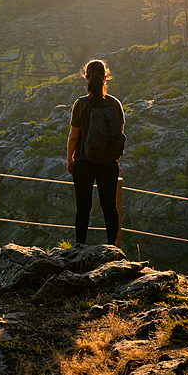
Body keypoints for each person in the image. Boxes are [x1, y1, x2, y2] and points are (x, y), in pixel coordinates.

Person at [67, 59, 124, 245]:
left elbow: (73, 137)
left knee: (83, 207)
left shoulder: (81, 104)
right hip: (108, 163)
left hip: (84, 161)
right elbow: (119, 135)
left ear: (87, 77)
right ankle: (112, 249)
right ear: (106, 77)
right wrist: (117, 160)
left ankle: (79, 248)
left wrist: (70, 159)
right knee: (109, 207)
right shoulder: (115, 104)